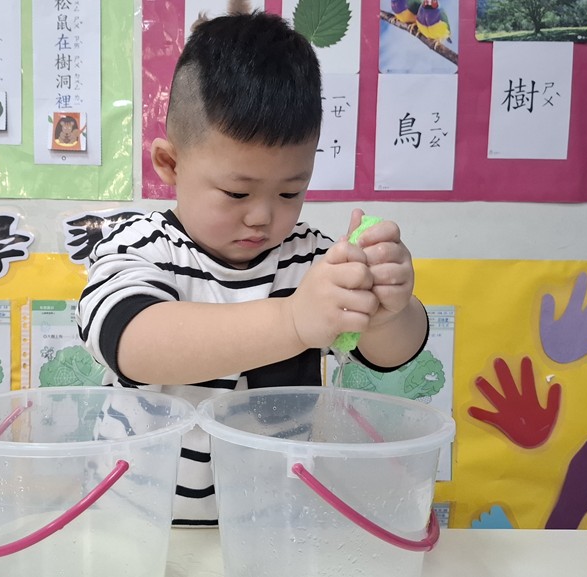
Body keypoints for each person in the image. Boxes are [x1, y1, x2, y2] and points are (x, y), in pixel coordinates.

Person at [76, 11, 429, 526]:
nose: (263, 216)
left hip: (270, 523)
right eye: (237, 193)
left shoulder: (311, 260)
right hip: (136, 520)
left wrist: (390, 307)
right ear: (170, 164)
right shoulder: (140, 247)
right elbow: (133, 345)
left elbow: (389, 354)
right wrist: (292, 321)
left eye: (290, 192)